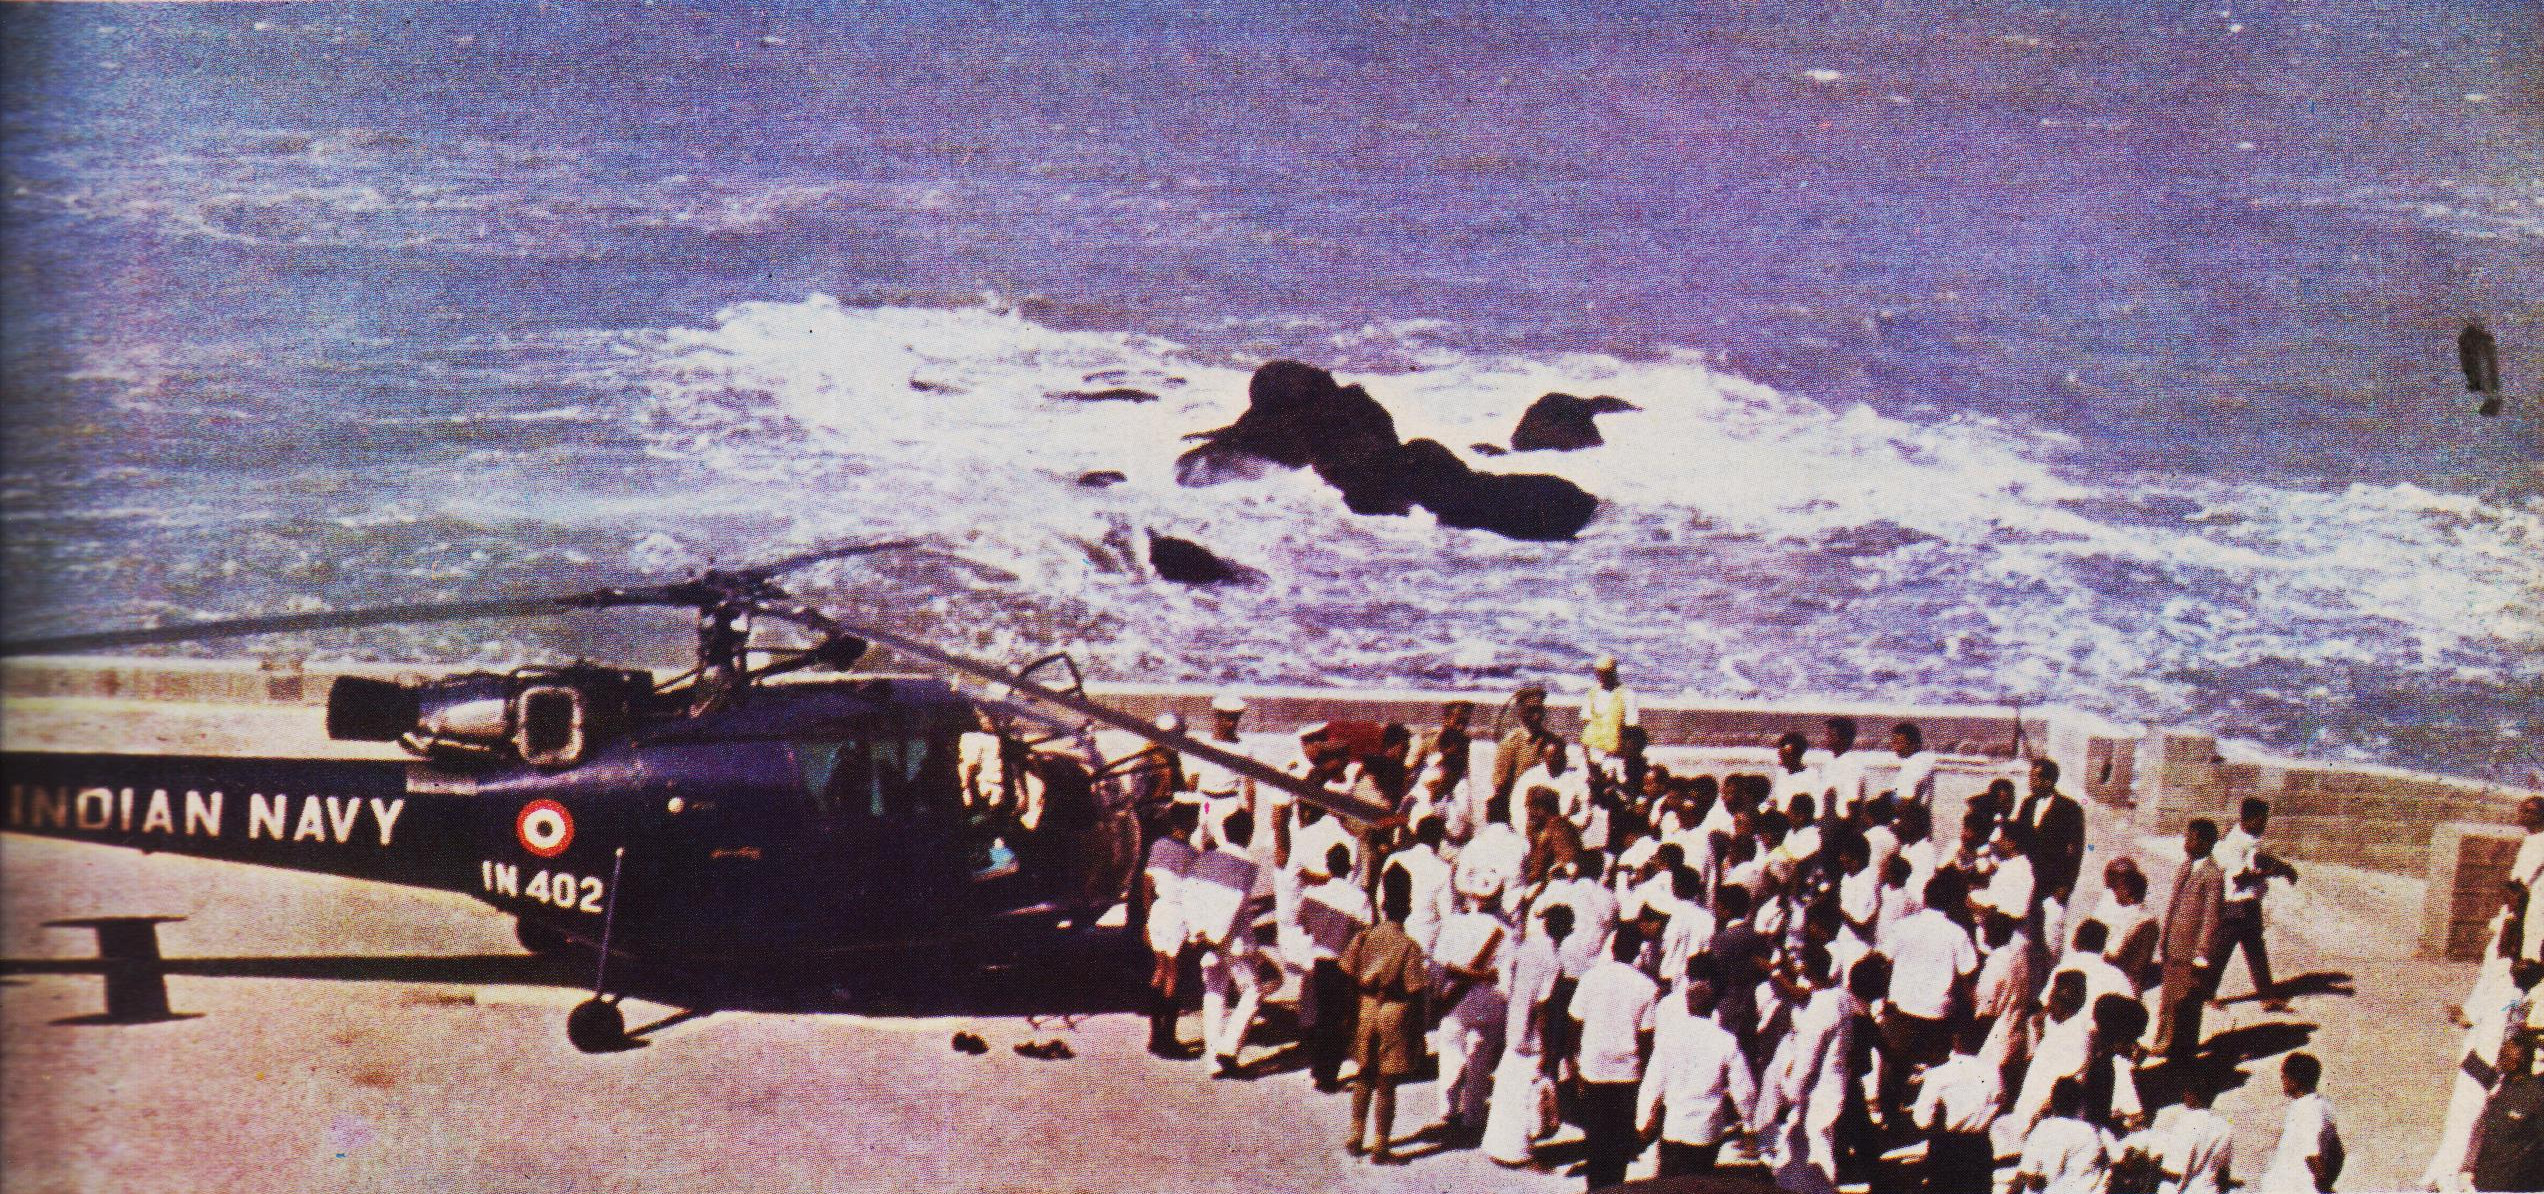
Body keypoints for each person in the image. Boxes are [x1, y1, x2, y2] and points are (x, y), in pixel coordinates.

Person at [2428, 959, 2543, 1190]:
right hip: (2491, 1072)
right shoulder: (2506, 989)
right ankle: (2447, 1176)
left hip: (2503, 1075)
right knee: (2471, 1122)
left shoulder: (2520, 996)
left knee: (2489, 1126)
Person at [1340, 869, 1430, 1164]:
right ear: (1408, 908)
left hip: (1366, 1007)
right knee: (1387, 1082)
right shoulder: (1408, 947)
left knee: (1363, 1074)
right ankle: (1380, 1145)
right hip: (1394, 1011)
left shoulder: (1365, 937)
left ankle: (1355, 1135)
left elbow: (1348, 972)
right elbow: (1415, 988)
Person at [1637, 971, 1758, 1178]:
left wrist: (1643, 1121)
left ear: (1688, 1005)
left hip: (1675, 1125)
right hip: (1707, 1128)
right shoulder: (1725, 1040)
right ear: (1713, 1007)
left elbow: (1653, 1083)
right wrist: (1749, 1121)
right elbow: (1744, 1090)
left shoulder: (1669, 1037)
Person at [1881, 870, 1980, 1123]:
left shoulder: (1902, 927)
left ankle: (1890, 1118)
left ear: (1925, 898)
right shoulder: (1957, 933)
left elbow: (1883, 961)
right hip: (1938, 1014)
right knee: (1938, 1073)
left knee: (1894, 1069)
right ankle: (1934, 1119)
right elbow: (1968, 974)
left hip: (1901, 1010)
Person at [1484, 902, 1575, 1167]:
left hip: (1514, 1024)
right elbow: (1543, 1006)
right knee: (1528, 1092)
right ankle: (1522, 1153)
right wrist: (1546, 1045)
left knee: (1508, 1088)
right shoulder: (1552, 960)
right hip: (1532, 1035)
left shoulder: (1527, 949)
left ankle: (1499, 1146)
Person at [1571, 929, 1662, 1189]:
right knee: (1619, 1139)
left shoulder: (1591, 979)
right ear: (1636, 954)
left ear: (1612, 949)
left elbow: (1575, 1022)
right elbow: (1645, 1037)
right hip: (1627, 1072)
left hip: (1593, 1068)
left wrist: (1575, 1061)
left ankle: (1595, 1187)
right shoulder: (1647, 986)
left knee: (1595, 1136)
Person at [1190, 810, 1274, 1077]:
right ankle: (1228, 1047)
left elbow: (1192, 895)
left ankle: (1213, 1056)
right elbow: (1234, 902)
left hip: (1206, 936)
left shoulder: (1205, 858)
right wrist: (1217, 937)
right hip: (1232, 941)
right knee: (1253, 992)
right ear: (1248, 834)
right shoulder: (1247, 863)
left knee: (1214, 992)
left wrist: (1198, 933)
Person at [1429, 889, 1509, 1147]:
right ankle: (1473, 1115)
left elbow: (1439, 963)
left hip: (1456, 999)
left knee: (1451, 1052)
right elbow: (1506, 973)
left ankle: (1448, 1107)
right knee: (1480, 1061)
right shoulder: (1505, 929)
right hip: (1488, 1001)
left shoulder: (1452, 924)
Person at [2213, 797, 2298, 1012]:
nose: (2264, 824)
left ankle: (2267, 997)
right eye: (2261, 820)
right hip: (2235, 904)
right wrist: (2274, 872)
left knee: (2256, 950)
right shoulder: (2233, 843)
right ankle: (2205, 994)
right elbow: (2240, 877)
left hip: (2250, 903)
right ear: (2249, 819)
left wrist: (2278, 867)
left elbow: (2257, 858)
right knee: (2220, 952)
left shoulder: (2250, 839)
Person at [2156, 819, 2227, 1062]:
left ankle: (2182, 1050)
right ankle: (2165, 1040)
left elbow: (2211, 918)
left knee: (2185, 1002)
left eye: (2192, 838)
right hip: (2174, 946)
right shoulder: (2187, 866)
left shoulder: (2212, 875)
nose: (2186, 843)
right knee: (2168, 998)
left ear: (2206, 842)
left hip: (2190, 950)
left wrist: (2203, 953)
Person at [1913, 1019, 2002, 1194]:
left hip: (1947, 1147)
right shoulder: (1993, 1072)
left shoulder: (1939, 1075)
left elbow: (1922, 1120)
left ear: (1955, 1040)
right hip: (1979, 1146)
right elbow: (1999, 1103)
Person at [1141, 803, 1202, 1058]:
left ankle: (1154, 1035)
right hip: (1177, 912)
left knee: (1158, 971)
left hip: (1158, 909)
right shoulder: (1191, 854)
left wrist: (1146, 919)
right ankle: (1169, 1037)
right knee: (1174, 974)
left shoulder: (1158, 846)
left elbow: (1147, 882)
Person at [2128, 1073, 2234, 1194]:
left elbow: (2173, 1172)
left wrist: (2151, 1161)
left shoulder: (2188, 1123)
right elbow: (2223, 1172)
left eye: (2185, 1092)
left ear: (2192, 1095)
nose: (2183, 1096)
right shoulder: (2225, 1126)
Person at [2468, 1031, 2544, 1191]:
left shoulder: (2537, 1096)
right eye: (2502, 1053)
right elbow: (2471, 1063)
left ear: (2520, 1062)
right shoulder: (2501, 1083)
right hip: (2484, 1180)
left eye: (2505, 1056)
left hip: (2517, 1185)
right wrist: (2470, 1029)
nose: (2500, 1058)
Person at [2013, 1077, 2115, 1194]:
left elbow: (2026, 1175)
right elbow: (2118, 1164)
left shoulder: (2042, 1128)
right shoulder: (2094, 1131)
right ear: (2080, 1103)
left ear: (2052, 1103)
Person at [2260, 1052, 2340, 1194]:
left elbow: (2313, 1155)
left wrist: (2325, 1188)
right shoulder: (2322, 1104)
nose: (2282, 1079)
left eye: (2284, 1076)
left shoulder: (2306, 1111)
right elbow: (2337, 1150)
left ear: (2294, 1081)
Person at [1189, 695, 1258, 853]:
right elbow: (1193, 778)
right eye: (1227, 719)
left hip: (1228, 802)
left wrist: (1249, 816)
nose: (1232, 724)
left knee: (1228, 848)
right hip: (1205, 802)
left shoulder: (1244, 748)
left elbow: (1249, 784)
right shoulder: (1203, 744)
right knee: (1197, 844)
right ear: (1217, 718)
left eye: (1235, 719)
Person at [1491, 685, 1567, 819]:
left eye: (1539, 710)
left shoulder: (1554, 742)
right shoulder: (1510, 744)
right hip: (1520, 812)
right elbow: (1500, 786)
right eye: (1531, 710)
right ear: (1521, 712)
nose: (1537, 716)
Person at [1579, 655, 1641, 789]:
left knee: (1615, 789)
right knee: (1586, 788)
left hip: (1615, 754)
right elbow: (1587, 726)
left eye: (1606, 673)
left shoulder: (1627, 695)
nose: (1602, 676)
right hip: (1593, 752)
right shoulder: (1591, 694)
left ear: (1613, 672)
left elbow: (1631, 729)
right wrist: (1587, 756)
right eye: (1599, 673)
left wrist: (1624, 757)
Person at [1818, 716, 1869, 822]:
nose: (1826, 739)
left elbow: (1853, 803)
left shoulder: (1852, 765)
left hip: (1842, 824)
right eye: (1826, 735)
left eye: (1831, 736)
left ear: (1844, 739)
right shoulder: (1830, 762)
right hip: (1827, 820)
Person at [1890, 721, 1938, 811]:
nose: (1894, 747)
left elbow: (1908, 799)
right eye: (1893, 742)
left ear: (1913, 745)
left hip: (1909, 819)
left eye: (1898, 743)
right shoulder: (1919, 760)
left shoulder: (1916, 763)